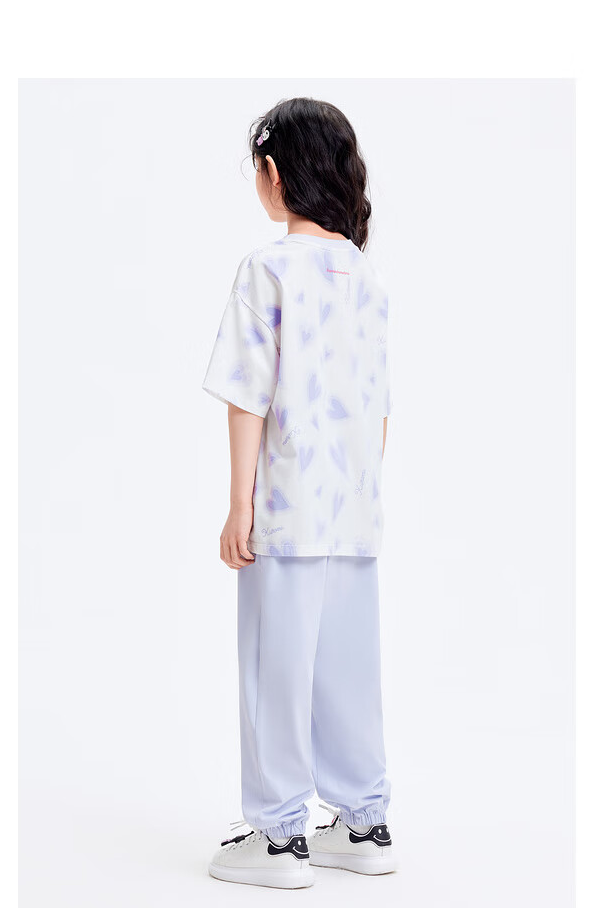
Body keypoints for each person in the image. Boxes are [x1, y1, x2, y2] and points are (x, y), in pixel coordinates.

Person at [201, 97, 397, 889]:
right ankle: (365, 821)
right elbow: (379, 405)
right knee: (348, 671)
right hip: (355, 511)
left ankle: (281, 836)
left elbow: (248, 393)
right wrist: (366, 494)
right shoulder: (366, 277)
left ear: (275, 175)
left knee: (274, 669)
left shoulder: (269, 268)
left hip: (287, 509)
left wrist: (240, 501)